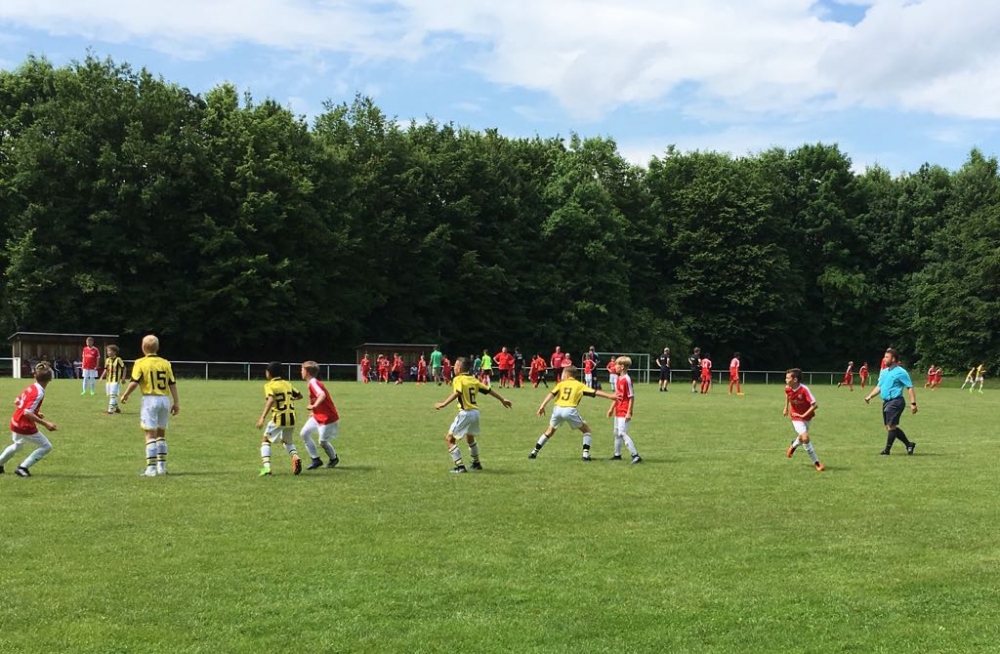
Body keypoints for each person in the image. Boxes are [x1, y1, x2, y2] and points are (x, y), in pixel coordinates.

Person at [434, 357, 512, 473]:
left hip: (465, 413)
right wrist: (502, 399)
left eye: (455, 365)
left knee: (450, 439)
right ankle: (476, 463)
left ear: (459, 368)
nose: (454, 368)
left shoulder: (458, 379)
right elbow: (488, 390)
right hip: (475, 413)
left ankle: (460, 467)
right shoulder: (473, 380)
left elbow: (457, 393)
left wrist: (444, 403)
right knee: (470, 438)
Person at [120, 335, 180, 477]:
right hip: (164, 400)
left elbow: (134, 382)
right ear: (157, 347)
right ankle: (162, 467)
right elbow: (172, 383)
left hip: (150, 400)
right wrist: (176, 402)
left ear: (143, 347)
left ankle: (151, 469)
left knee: (150, 434)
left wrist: (125, 394)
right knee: (161, 434)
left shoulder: (140, 362)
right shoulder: (165, 363)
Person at [529, 365, 617, 461]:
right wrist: (610, 396)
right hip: (569, 410)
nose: (562, 375)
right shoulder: (579, 385)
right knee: (586, 430)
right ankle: (585, 455)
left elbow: (551, 394)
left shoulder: (561, 384)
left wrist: (542, 406)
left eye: (563, 373)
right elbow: (595, 392)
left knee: (549, 431)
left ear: (567, 374)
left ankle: (534, 452)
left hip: (557, 409)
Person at [0, 362, 57, 477]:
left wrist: (36, 412)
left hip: (15, 421)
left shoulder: (32, 387)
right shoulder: (39, 393)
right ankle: (23, 468)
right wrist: (46, 424)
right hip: (24, 425)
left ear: (35, 376)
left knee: (17, 445)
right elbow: (27, 412)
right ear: (50, 379)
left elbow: (17, 401)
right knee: (46, 446)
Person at [864, 348, 917, 456]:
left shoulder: (901, 372)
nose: (884, 359)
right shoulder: (884, 372)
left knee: (891, 426)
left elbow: (909, 387)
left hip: (896, 401)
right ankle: (909, 444)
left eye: (886, 357)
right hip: (886, 402)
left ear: (893, 359)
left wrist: (913, 404)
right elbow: (879, 387)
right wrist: (870, 396)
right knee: (890, 427)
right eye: (884, 357)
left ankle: (886, 451)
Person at [254, 361, 303, 476]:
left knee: (266, 440)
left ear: (269, 373)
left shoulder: (269, 385)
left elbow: (271, 400)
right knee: (287, 441)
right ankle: (295, 457)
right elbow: (300, 396)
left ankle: (267, 468)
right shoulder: (287, 384)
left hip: (279, 418)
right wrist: (290, 399)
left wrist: (262, 417)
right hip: (291, 418)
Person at [300, 361, 340, 470]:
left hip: (328, 416)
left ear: (307, 372)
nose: (301, 371)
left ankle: (334, 459)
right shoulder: (311, 382)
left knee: (322, 442)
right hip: (318, 415)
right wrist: (313, 411)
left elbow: (321, 395)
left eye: (302, 369)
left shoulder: (313, 382)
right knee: (304, 433)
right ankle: (316, 459)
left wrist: (314, 406)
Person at [782, 368, 824, 472]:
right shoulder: (787, 388)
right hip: (795, 416)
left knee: (802, 437)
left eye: (787, 378)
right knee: (805, 438)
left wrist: (803, 415)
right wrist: (786, 407)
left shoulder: (804, 390)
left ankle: (793, 446)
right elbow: (787, 395)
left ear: (795, 380)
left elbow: (815, 405)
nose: (785, 380)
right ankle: (817, 462)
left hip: (807, 417)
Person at [607, 356, 642, 464]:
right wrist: (611, 408)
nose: (615, 367)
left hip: (624, 410)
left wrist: (629, 412)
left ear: (622, 367)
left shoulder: (627, 379)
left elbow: (631, 397)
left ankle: (635, 455)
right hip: (618, 409)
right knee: (616, 433)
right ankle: (617, 455)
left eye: (617, 365)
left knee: (622, 433)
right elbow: (617, 396)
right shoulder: (618, 379)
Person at [99, 344, 127, 414]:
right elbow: (106, 369)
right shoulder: (107, 360)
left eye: (110, 351)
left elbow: (124, 368)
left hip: (115, 380)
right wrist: (101, 377)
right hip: (108, 380)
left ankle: (110, 410)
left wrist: (123, 377)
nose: (108, 352)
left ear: (114, 352)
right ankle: (117, 409)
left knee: (112, 395)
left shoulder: (118, 359)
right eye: (107, 351)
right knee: (111, 395)